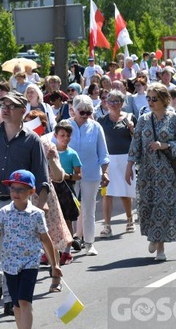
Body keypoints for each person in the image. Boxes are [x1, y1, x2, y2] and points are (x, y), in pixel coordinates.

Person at [0, 91, 49, 317]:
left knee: (7, 251)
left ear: (23, 111)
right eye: (3, 104)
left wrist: (39, 206)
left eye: (11, 106)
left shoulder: (32, 140)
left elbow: (42, 177)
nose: (5, 108)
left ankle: (9, 298)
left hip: (15, 205)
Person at [0, 170, 62, 329]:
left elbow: (46, 240)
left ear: (31, 191)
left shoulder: (36, 214)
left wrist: (54, 265)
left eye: (21, 189)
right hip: (9, 264)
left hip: (30, 263)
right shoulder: (4, 212)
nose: (15, 192)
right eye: (13, 188)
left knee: (24, 301)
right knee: (16, 305)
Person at [126, 83, 176, 261]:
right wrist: (129, 166)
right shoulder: (144, 119)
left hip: (168, 173)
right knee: (148, 206)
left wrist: (166, 145)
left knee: (164, 207)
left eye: (155, 98)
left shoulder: (174, 119)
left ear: (164, 100)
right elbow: (135, 144)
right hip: (147, 171)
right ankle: (154, 236)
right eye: (148, 98)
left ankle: (160, 248)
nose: (151, 101)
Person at [23, 111, 71, 293]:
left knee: (49, 236)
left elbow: (59, 177)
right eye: (26, 122)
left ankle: (55, 274)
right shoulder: (21, 144)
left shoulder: (47, 145)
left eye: (32, 123)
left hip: (44, 195)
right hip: (24, 194)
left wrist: (51, 158)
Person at [68, 95, 109, 256]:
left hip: (91, 172)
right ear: (74, 110)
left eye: (88, 112)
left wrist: (105, 172)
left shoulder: (96, 127)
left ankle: (89, 243)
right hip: (69, 175)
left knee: (89, 208)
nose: (85, 115)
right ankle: (66, 244)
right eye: (82, 112)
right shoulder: (65, 125)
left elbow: (103, 153)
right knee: (68, 210)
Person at [97, 90, 137, 237]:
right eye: (110, 101)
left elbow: (138, 139)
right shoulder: (101, 120)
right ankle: (107, 226)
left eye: (116, 101)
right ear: (106, 103)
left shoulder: (130, 117)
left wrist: (132, 128)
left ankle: (129, 219)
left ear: (122, 103)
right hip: (108, 160)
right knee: (107, 193)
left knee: (125, 193)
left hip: (126, 159)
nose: (113, 104)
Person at [52, 121, 82, 252]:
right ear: (55, 135)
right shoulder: (51, 152)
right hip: (53, 187)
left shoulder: (72, 154)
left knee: (67, 218)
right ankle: (55, 249)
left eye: (68, 135)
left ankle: (67, 250)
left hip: (66, 188)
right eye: (62, 135)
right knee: (54, 219)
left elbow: (79, 175)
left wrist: (67, 176)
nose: (65, 138)